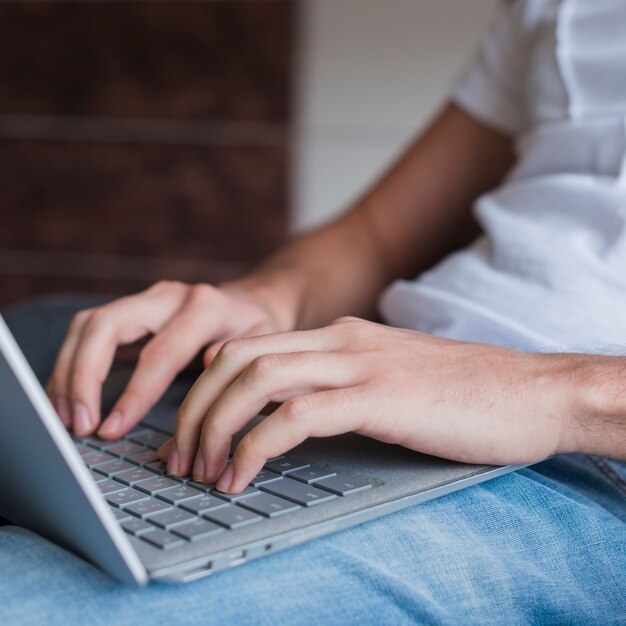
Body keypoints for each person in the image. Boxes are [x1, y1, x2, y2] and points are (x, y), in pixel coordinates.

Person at [1, 1, 624, 623]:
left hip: (577, 464)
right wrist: (270, 298)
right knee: (41, 341)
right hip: (377, 386)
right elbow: (377, 236)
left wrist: (558, 392)